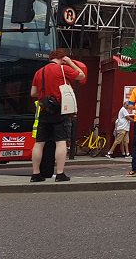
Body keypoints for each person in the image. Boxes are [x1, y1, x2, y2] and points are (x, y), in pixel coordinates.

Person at [29, 49, 86, 182]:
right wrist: (70, 63)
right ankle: (60, 173)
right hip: (60, 109)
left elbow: (33, 92)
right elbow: (81, 76)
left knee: (39, 143)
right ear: (63, 58)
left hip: (44, 109)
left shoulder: (39, 72)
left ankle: (35, 173)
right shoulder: (62, 69)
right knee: (60, 142)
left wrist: (46, 95)